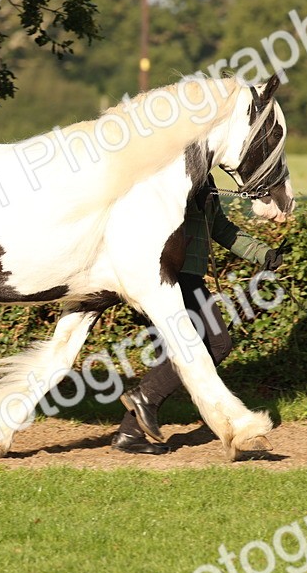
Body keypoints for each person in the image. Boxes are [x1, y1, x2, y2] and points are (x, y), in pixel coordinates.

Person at [111, 177, 286, 454]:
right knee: (213, 345)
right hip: (170, 277)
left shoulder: (203, 176)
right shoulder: (174, 171)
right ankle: (143, 398)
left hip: (188, 277)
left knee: (194, 349)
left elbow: (220, 228)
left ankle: (130, 432)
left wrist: (262, 253)